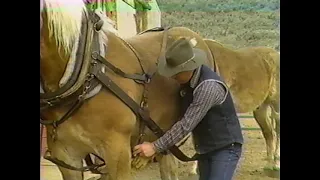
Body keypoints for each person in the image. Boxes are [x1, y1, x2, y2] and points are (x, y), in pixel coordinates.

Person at [133, 37, 244, 180]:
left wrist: (155, 147)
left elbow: (186, 124)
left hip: (225, 148)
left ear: (189, 68)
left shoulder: (208, 87)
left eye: (176, 72)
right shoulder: (188, 83)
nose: (172, 76)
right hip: (206, 148)